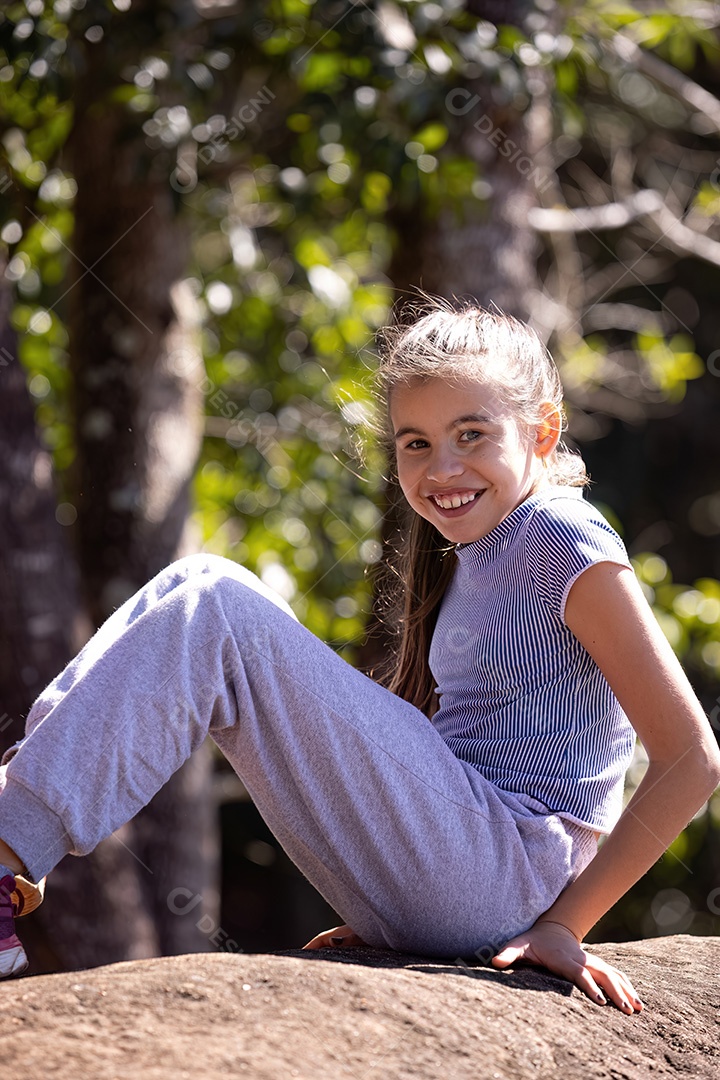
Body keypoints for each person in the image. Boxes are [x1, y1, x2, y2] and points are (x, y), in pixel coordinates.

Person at [1, 299, 718, 1014]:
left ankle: (6, 848)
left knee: (215, 600)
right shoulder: (476, 553)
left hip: (508, 872)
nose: (444, 467)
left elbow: (692, 758)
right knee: (197, 587)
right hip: (464, 869)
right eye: (416, 443)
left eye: (472, 434)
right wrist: (388, 882)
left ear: (542, 431)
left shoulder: (559, 535)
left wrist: (563, 924)